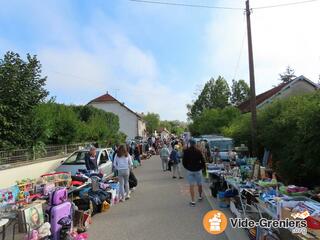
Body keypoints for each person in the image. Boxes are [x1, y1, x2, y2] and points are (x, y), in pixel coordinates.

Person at [182, 139, 206, 207]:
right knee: (199, 184)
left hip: (190, 170)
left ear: (189, 144)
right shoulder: (198, 151)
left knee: (191, 186)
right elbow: (203, 161)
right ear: (195, 144)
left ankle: (193, 201)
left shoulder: (186, 151)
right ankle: (200, 196)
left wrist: (187, 167)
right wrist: (202, 167)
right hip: (198, 170)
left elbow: (184, 162)